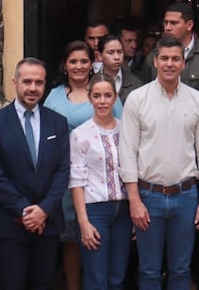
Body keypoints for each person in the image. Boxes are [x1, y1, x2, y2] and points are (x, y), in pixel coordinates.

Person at [119, 36, 199, 290]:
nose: (170, 64)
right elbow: (127, 151)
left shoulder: (197, 100)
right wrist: (134, 201)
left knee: (181, 269)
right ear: (155, 61)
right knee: (150, 271)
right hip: (148, 195)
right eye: (164, 58)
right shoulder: (137, 99)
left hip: (186, 196)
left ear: (183, 63)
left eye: (175, 59)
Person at [0, 58, 70, 290]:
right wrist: (23, 210)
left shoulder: (57, 123)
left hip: (47, 224)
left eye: (38, 82)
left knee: (43, 285)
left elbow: (62, 170)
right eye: (27, 81)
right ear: (15, 82)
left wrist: (43, 210)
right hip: (9, 225)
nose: (33, 88)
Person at [44, 41, 123, 290]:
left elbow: (120, 137)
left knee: (100, 250)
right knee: (70, 239)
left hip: (98, 182)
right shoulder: (54, 94)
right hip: (64, 178)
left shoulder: (103, 91)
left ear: (92, 64)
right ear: (65, 65)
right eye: (73, 61)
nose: (78, 66)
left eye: (83, 61)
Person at [70, 74, 132, 290]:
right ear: (90, 98)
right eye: (97, 96)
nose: (102, 101)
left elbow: (135, 171)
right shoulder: (80, 134)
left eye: (107, 95)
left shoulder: (128, 130)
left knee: (117, 275)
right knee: (96, 277)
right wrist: (83, 222)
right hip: (95, 211)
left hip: (124, 210)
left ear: (115, 98)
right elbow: (76, 181)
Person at [142, 2, 199, 101]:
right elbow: (145, 95)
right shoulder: (153, 57)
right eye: (166, 23)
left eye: (174, 23)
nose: (167, 28)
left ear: (189, 25)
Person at [98, 34, 143, 104]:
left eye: (119, 52)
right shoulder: (90, 81)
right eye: (111, 52)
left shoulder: (136, 83)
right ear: (100, 56)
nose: (116, 57)